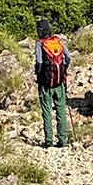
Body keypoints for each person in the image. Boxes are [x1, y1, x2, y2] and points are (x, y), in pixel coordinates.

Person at [34, 17, 71, 147]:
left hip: (45, 83)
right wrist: (64, 70)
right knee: (61, 110)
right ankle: (62, 140)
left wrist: (38, 73)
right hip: (60, 82)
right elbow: (69, 56)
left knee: (47, 111)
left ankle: (48, 141)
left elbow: (39, 61)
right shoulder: (58, 41)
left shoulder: (40, 43)